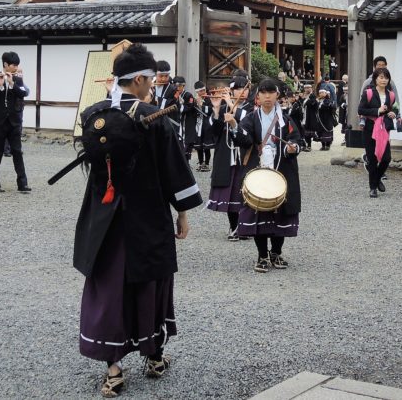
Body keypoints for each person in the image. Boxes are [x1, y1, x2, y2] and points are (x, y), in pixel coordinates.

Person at [73, 44, 202, 397]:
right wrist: (183, 214)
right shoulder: (156, 117)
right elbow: (174, 171)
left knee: (110, 286)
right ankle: (154, 356)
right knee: (150, 282)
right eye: (151, 78)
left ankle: (113, 368)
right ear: (141, 79)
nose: (153, 83)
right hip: (147, 214)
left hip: (104, 216)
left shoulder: (93, 114)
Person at [234, 79, 304, 272]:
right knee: (259, 210)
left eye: (271, 92)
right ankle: (262, 255)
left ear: (277, 95)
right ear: (257, 96)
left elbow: (297, 140)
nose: (267, 96)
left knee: (281, 211)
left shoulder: (286, 120)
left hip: (282, 169)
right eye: (263, 93)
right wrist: (234, 126)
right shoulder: (250, 118)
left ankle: (276, 252)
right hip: (259, 170)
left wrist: (292, 148)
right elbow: (245, 139)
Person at [206, 77, 253, 239]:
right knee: (231, 193)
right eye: (239, 89)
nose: (243, 92)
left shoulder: (251, 107)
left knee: (244, 192)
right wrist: (217, 109)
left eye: (245, 89)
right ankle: (234, 227)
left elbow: (246, 119)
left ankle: (244, 227)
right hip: (226, 155)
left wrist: (232, 106)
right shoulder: (225, 106)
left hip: (244, 155)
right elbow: (214, 132)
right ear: (232, 91)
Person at [0, 51, 31, 193]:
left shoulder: (17, 79)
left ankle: (22, 183)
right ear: (6, 64)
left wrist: (12, 83)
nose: (16, 68)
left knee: (17, 151)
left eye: (17, 65)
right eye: (14, 65)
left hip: (14, 121)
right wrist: (0, 86)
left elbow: (23, 94)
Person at [358, 67, 400, 197]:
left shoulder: (391, 95)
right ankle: (373, 188)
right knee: (372, 158)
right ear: (375, 79)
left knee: (386, 158)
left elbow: (395, 108)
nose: (384, 80)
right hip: (370, 128)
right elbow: (361, 110)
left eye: (386, 77)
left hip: (384, 128)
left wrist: (393, 113)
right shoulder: (368, 93)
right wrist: (377, 111)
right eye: (381, 77)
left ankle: (376, 179)